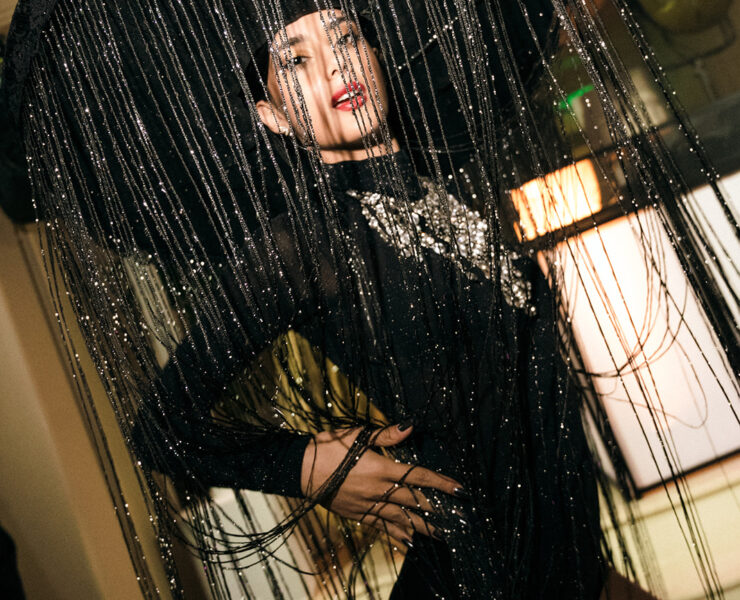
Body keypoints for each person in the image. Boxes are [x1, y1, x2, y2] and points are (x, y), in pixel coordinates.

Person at [130, 5, 610, 598]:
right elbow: (158, 429)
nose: (336, 65)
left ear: (377, 55)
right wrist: (308, 468)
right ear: (272, 116)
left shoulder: (456, 192)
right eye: (296, 61)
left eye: (347, 37)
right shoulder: (305, 244)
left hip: (566, 559)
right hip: (474, 574)